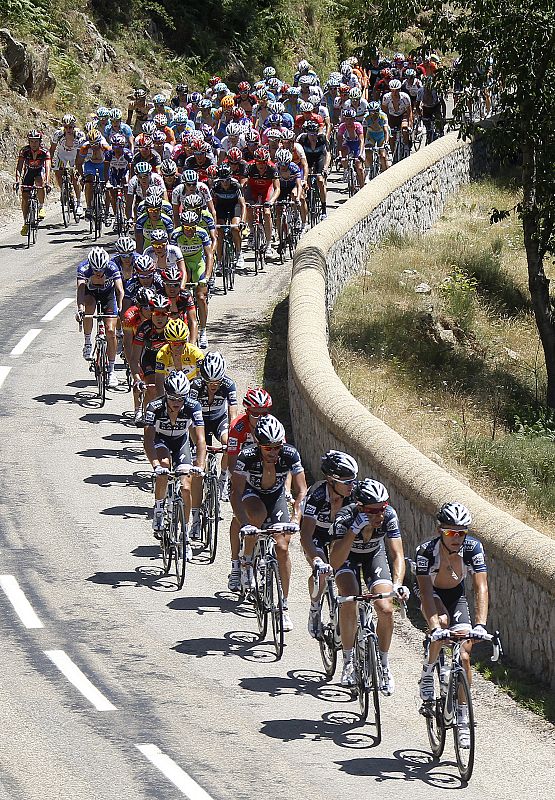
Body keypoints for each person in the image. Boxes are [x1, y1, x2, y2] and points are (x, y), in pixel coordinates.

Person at [415, 502, 489, 749]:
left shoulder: (473, 548)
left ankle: (463, 717)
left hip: (456, 596)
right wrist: (435, 627)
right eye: (450, 532)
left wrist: (480, 625)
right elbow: (425, 592)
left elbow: (480, 587)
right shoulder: (426, 551)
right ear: (440, 531)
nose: (456, 538)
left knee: (465, 654)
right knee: (443, 624)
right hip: (431, 592)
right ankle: (428, 672)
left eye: (461, 533)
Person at [329, 478, 409, 694]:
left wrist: (398, 584)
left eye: (382, 509)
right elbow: (335, 561)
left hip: (374, 555)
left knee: (385, 609)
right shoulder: (345, 517)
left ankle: (383, 665)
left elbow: (397, 554)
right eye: (373, 511)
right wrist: (352, 532)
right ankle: (348, 662)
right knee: (349, 598)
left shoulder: (388, 516)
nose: (379, 515)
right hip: (348, 558)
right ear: (360, 508)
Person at [231, 414, 307, 631]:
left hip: (276, 497)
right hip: (251, 494)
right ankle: (246, 560)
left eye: (277, 447)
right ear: (258, 444)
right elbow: (236, 493)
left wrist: (295, 518)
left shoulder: (290, 454)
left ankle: (283, 606)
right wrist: (244, 523)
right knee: (256, 516)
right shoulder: (247, 456)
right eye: (268, 448)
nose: (273, 453)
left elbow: (301, 491)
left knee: (282, 547)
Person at [143, 370, 206, 555]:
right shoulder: (154, 407)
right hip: (160, 441)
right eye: (172, 398)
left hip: (181, 442)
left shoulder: (193, 406)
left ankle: (184, 534)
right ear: (166, 394)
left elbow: (201, 440)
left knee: (186, 487)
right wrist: (154, 465)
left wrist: (200, 466)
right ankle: (159, 508)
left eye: (181, 399)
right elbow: (147, 440)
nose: (177, 403)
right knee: (164, 465)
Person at [301, 451, 358, 638]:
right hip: (317, 534)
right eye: (347, 482)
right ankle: (315, 607)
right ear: (331, 481)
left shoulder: (355, 495)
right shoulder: (317, 496)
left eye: (353, 480)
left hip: (338, 536)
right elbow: (306, 534)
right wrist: (316, 560)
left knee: (342, 571)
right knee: (322, 573)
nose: (352, 485)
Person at [189, 351, 238, 511]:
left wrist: (233, 437)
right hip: (200, 421)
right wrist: (195, 442)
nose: (213, 385)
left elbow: (233, 414)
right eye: (209, 381)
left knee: (228, 442)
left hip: (218, 420)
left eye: (217, 381)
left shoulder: (229, 384)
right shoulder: (195, 385)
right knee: (199, 457)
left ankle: (223, 478)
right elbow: (189, 415)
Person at [75, 247, 123, 389]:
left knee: (110, 331)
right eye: (95, 270)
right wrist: (80, 309)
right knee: (88, 307)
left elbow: (120, 290)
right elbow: (80, 291)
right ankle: (88, 343)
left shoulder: (112, 267)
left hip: (108, 295)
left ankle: (112, 372)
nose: (98, 273)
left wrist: (120, 309)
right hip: (91, 293)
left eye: (101, 270)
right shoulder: (83, 268)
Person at [171, 209, 214, 348]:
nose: (189, 230)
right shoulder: (176, 234)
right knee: (179, 295)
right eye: (186, 227)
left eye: (192, 227)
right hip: (182, 263)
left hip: (198, 264)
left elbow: (209, 255)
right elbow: (172, 257)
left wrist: (207, 276)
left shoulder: (202, 233)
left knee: (201, 296)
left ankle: (202, 331)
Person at [15, 130, 52, 235]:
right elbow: (19, 166)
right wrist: (17, 180)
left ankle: (41, 206)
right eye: (31, 141)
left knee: (40, 182)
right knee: (25, 197)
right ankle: (26, 222)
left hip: (40, 171)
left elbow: (48, 167)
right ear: (29, 142)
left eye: (36, 141)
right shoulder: (24, 151)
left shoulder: (45, 151)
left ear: (40, 142)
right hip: (29, 172)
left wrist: (47, 182)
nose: (34, 144)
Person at [50, 115, 85, 217]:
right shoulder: (58, 134)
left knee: (75, 178)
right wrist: (50, 160)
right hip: (62, 156)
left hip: (75, 156)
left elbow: (80, 153)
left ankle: (79, 203)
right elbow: (52, 149)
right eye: (66, 127)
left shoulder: (80, 135)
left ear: (74, 126)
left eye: (70, 127)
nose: (68, 129)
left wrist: (78, 167)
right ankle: (64, 191)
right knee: (58, 172)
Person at [212, 163, 246, 268]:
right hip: (221, 207)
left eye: (227, 180)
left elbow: (243, 205)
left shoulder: (236, 185)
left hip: (234, 206)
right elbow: (212, 206)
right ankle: (219, 261)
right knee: (220, 232)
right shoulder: (215, 186)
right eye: (222, 180)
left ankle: (239, 254)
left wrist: (242, 222)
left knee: (235, 229)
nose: (225, 183)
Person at [296, 120, 330, 218]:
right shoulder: (302, 139)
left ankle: (323, 209)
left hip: (319, 157)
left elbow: (328, 154)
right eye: (310, 134)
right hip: (307, 158)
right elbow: (298, 154)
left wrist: (325, 168)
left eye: (315, 133)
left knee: (320, 180)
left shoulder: (322, 138)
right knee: (307, 177)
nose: (313, 136)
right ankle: (309, 196)